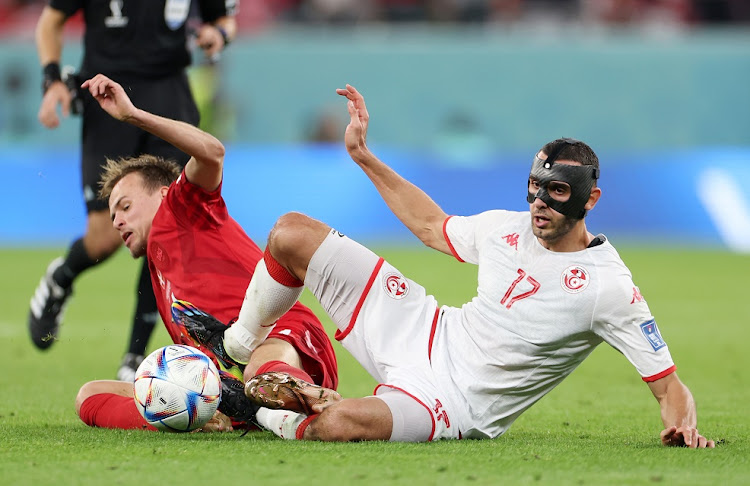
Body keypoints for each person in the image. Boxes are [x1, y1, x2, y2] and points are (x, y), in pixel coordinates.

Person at [174, 84, 715, 447]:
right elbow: (432, 226)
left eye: (556, 192)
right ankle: (238, 348)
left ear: (589, 200)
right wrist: (364, 156)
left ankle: (244, 403)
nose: (540, 204)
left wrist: (683, 430)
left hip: (454, 403)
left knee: (336, 424)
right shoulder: (508, 227)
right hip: (425, 328)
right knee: (291, 233)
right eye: (534, 189)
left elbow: (669, 388)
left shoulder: (609, 288)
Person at [72, 74, 338, 432]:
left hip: (281, 333)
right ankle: (212, 416)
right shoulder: (160, 277)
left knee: (261, 368)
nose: (117, 220)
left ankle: (304, 398)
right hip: (225, 382)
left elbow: (212, 151)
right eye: (113, 214)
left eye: (125, 205)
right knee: (89, 395)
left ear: (165, 194)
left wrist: (134, 115)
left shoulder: (184, 208)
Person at [28, 0, 237, 381]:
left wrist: (217, 34)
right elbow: (50, 21)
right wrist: (53, 79)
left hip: (168, 93)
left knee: (165, 227)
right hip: (105, 91)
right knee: (105, 237)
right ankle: (63, 276)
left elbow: (223, 17)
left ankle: (134, 358)